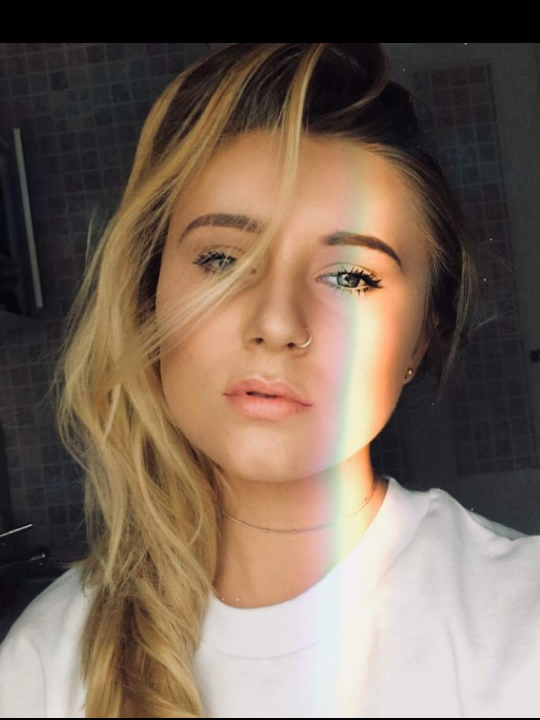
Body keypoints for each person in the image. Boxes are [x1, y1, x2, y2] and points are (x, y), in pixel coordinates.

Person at [1, 43, 539, 718]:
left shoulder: (522, 625)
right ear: (149, 299)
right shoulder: (43, 665)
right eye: (222, 259)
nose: (278, 323)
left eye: (351, 276)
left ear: (421, 337)